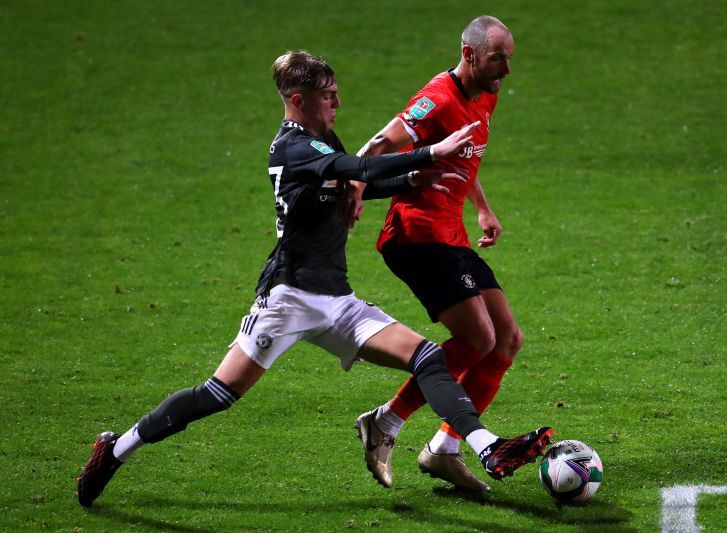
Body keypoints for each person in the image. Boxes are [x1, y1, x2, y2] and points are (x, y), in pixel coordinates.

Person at [75, 50, 552, 508]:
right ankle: (116, 449)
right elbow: (359, 168)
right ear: (297, 99)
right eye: (327, 95)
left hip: (337, 300)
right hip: (289, 299)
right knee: (217, 395)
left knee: (428, 358)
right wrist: (429, 154)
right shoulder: (295, 146)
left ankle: (485, 446)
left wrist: (408, 183)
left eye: (337, 92)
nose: (337, 103)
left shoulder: (321, 143)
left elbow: (353, 179)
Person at [348, 16, 530, 492]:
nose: (506, 71)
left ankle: (444, 450)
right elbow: (380, 145)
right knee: (476, 340)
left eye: (509, 59)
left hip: (452, 236)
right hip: (416, 237)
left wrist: (483, 207)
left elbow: (466, 155)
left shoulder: (485, 93)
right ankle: (384, 423)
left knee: (506, 339)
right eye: (498, 59)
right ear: (469, 54)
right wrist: (351, 183)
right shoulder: (436, 99)